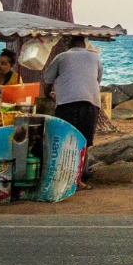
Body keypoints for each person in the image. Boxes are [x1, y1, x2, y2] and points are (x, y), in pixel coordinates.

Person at [42, 37, 103, 188]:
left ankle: (64, 177)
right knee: (84, 143)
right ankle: (79, 180)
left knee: (65, 140)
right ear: (84, 44)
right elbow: (97, 79)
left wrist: (48, 94)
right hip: (91, 103)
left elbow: (47, 81)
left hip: (67, 104)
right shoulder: (95, 57)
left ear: (68, 44)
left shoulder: (62, 57)